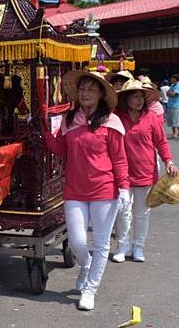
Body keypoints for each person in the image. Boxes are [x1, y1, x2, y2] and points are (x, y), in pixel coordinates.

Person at [43, 70, 129, 311]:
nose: (85, 93)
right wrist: (42, 130)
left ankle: (90, 289)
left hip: (105, 189)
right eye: (82, 89)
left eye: (91, 89)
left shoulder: (111, 122)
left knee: (101, 244)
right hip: (74, 190)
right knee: (78, 241)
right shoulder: (69, 120)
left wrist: (123, 189)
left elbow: (120, 160)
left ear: (101, 94)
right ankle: (87, 265)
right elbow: (59, 148)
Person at [113, 79, 179, 263]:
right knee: (122, 211)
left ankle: (138, 246)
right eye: (135, 96)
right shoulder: (117, 117)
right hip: (122, 173)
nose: (139, 100)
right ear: (126, 99)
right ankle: (122, 246)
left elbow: (161, 143)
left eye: (141, 97)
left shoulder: (151, 117)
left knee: (142, 212)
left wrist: (169, 161)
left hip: (145, 171)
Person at [166, 74, 179, 139]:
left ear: (176, 79)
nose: (171, 80)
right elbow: (167, 93)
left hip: (177, 106)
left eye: (172, 78)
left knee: (177, 120)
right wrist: (170, 93)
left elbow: (174, 95)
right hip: (170, 105)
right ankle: (174, 133)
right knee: (171, 120)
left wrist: (170, 93)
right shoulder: (172, 85)